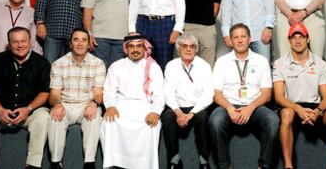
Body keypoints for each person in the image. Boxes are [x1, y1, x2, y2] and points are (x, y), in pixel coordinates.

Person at [0, 27, 50, 169]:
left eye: (23, 41)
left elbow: (44, 93)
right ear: (9, 43)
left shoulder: (42, 63)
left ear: (30, 42)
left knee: (43, 118)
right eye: (15, 42)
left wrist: (28, 109)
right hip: (1, 111)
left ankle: (33, 164)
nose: (20, 45)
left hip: (29, 112)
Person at [273, 23, 326, 169]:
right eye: (294, 37)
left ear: (308, 39)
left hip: (314, 110)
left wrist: (317, 111)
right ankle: (288, 166)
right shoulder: (279, 64)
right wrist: (298, 109)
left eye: (301, 37)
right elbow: (279, 97)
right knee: (286, 114)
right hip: (292, 108)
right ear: (289, 40)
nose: (298, 40)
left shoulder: (320, 64)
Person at [209, 23, 279, 169]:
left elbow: (266, 94)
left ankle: (264, 165)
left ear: (249, 39)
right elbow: (216, 94)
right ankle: (225, 166)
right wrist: (229, 108)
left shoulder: (261, 61)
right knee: (215, 121)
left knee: (273, 120)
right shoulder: (221, 62)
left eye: (243, 37)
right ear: (231, 41)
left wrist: (250, 107)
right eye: (236, 37)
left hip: (254, 106)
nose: (240, 40)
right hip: (228, 105)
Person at [100, 34, 164, 169]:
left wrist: (156, 112)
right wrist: (110, 106)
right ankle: (114, 163)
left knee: (153, 125)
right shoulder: (116, 66)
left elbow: (159, 95)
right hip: (121, 106)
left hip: (146, 106)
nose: (135, 50)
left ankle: (146, 165)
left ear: (144, 48)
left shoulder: (153, 67)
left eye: (139, 46)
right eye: (132, 46)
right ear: (126, 49)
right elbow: (109, 91)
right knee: (108, 121)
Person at [48, 28, 106, 169]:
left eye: (84, 40)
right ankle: (55, 163)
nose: (80, 43)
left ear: (88, 44)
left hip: (87, 104)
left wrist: (94, 103)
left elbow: (98, 93)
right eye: (76, 39)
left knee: (95, 117)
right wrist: (57, 104)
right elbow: (54, 94)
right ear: (70, 43)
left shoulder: (98, 63)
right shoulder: (58, 64)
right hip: (66, 104)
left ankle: (89, 162)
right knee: (55, 116)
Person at [162, 34, 214, 169]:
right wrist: (179, 113)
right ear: (178, 49)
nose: (188, 49)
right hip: (177, 107)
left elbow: (208, 95)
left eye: (192, 47)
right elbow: (168, 93)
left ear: (196, 49)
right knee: (167, 117)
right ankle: (174, 160)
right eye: (184, 46)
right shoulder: (171, 66)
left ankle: (204, 161)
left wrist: (191, 113)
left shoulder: (204, 66)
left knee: (203, 117)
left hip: (198, 107)